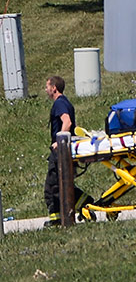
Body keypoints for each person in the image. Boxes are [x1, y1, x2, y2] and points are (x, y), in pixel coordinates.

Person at [43, 76, 92, 227]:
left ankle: (58, 218)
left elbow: (67, 122)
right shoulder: (64, 102)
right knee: (61, 184)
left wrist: (59, 141)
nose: (46, 90)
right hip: (64, 150)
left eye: (47, 87)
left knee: (52, 186)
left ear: (54, 88)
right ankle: (82, 203)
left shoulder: (59, 103)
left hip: (60, 151)